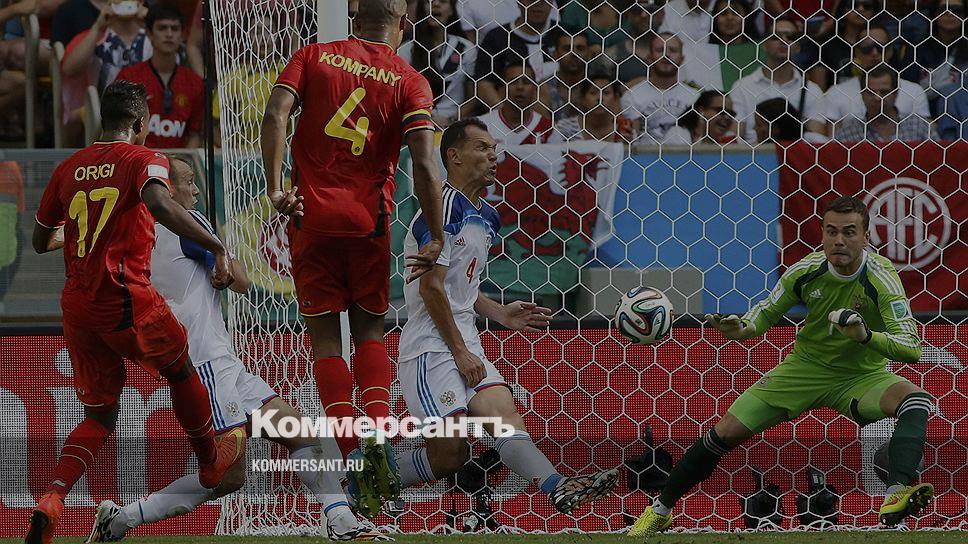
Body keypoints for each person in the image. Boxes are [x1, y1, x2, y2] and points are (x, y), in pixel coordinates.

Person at [84, 157, 384, 542]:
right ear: (167, 190)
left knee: (299, 432)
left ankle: (339, 520)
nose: (196, 190)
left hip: (207, 362)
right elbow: (240, 281)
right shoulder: (188, 226)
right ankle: (121, 520)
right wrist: (223, 257)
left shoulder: (132, 237)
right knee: (228, 475)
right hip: (207, 364)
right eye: (188, 181)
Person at [629, 196, 933, 535]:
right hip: (803, 371)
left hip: (862, 377)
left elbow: (912, 348)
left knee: (916, 400)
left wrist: (865, 336)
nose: (839, 240)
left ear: (866, 237)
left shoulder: (881, 278)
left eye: (849, 232)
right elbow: (764, 313)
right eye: (831, 231)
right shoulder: (805, 272)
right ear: (822, 234)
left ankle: (896, 494)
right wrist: (742, 328)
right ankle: (660, 511)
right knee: (723, 432)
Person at [27, 80, 243, 544]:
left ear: (103, 120)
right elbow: (160, 204)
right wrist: (217, 246)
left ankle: (53, 497)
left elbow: (40, 240)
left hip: (78, 307)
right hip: (125, 298)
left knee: (100, 417)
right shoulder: (144, 159)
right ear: (141, 124)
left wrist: (81, 236)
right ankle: (210, 463)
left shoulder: (68, 168)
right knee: (181, 367)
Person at [370, 118, 619, 517]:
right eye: (482, 148)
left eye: (494, 148)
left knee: (504, 415)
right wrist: (459, 352)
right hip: (431, 348)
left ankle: (558, 487)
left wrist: (499, 312)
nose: (493, 156)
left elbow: (463, 287)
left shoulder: (487, 215)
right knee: (450, 455)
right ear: (453, 156)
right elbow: (432, 289)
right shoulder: (440, 209)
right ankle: (365, 480)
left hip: (465, 340)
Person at [261, 0, 445, 519]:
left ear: (353, 19)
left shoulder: (313, 55)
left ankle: (351, 455)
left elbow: (275, 114)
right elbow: (424, 161)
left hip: (310, 218)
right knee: (369, 332)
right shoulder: (409, 79)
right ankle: (378, 436)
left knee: (326, 341)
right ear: (402, 24)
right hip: (368, 222)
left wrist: (275, 188)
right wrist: (434, 234)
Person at [115, 3, 203, 148]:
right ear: (149, 33)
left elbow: (195, 135)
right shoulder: (128, 78)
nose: (169, 34)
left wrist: (182, 161)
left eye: (174, 29)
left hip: (179, 160)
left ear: (182, 35)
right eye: (162, 28)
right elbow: (119, 131)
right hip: (138, 159)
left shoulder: (195, 84)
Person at [728, 17, 827, 143]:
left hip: (793, 153)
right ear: (764, 45)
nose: (783, 40)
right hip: (752, 152)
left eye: (790, 37)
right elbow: (734, 137)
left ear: (798, 47)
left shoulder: (811, 90)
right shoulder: (742, 86)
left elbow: (816, 141)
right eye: (776, 36)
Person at [823, 26, 929, 124]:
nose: (874, 53)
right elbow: (833, 136)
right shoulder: (836, 92)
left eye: (881, 47)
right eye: (866, 48)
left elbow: (924, 131)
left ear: (890, 51)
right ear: (856, 52)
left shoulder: (914, 91)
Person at [398, 0, 476, 126]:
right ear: (422, 9)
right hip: (416, 123)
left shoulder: (466, 48)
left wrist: (452, 120)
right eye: (429, 1)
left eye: (443, 1)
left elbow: (473, 98)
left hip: (454, 125)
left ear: (451, 10)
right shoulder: (406, 50)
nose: (435, 4)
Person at [473, 0, 555, 109]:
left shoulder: (566, 35)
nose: (537, 3)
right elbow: (484, 84)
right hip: (506, 111)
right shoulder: (497, 38)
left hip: (560, 114)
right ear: (518, 2)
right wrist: (506, 115)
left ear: (552, 3)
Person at [621, 33, 700, 143]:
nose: (666, 55)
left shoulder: (695, 97)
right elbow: (631, 139)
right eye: (660, 50)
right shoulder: (631, 96)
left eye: (673, 50)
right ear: (649, 58)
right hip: (645, 153)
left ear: (682, 59)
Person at [833, 66, 935, 142]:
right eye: (871, 92)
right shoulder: (848, 133)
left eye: (884, 92)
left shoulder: (918, 126)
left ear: (895, 94)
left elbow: (938, 157)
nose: (877, 98)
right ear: (862, 95)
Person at [479, 63, 560, 146]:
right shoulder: (481, 126)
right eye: (513, 82)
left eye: (526, 82)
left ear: (535, 89)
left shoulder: (548, 129)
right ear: (502, 89)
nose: (520, 87)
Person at [555, 75, 638, 142]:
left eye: (606, 93)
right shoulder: (565, 128)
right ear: (583, 99)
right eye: (593, 93)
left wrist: (628, 144)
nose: (600, 98)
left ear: (616, 99)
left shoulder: (625, 129)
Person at [662, 89, 736, 144]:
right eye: (721, 111)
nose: (727, 117)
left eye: (731, 113)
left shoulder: (730, 138)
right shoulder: (678, 134)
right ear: (701, 111)